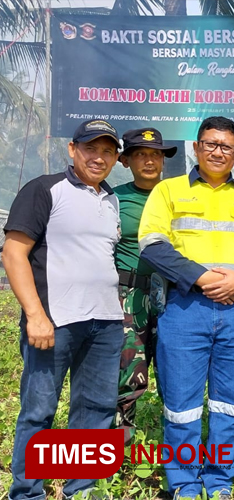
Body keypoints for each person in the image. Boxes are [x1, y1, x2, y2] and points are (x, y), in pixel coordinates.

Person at [138, 116, 234, 500]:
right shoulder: (168, 190)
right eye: (210, 144)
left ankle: (220, 481)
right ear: (196, 148)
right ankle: (184, 482)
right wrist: (202, 278)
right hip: (184, 307)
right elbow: (152, 244)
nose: (217, 152)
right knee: (181, 403)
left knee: (231, 403)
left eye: (226, 146)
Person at [3, 119, 124, 500]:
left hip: (104, 323)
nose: (99, 157)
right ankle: (27, 493)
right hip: (55, 322)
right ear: (72, 150)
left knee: (95, 409)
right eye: (91, 148)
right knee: (39, 410)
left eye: (107, 151)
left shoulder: (111, 199)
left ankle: (80, 489)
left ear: (116, 158)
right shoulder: (44, 189)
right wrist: (36, 316)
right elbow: (13, 253)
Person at [113, 128, 177, 445]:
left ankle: (174, 446)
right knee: (127, 372)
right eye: (140, 154)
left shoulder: (176, 197)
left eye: (155, 154)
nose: (149, 161)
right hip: (129, 296)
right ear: (126, 160)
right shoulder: (115, 199)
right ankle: (118, 445)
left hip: (173, 296)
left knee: (174, 371)